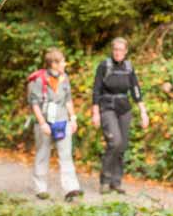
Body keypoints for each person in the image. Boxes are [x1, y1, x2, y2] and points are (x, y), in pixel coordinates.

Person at [91, 37, 149, 194]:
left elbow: (135, 89)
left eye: (121, 50)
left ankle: (116, 182)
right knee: (114, 142)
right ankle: (105, 180)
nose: (118, 53)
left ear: (126, 51)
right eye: (115, 49)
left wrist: (143, 112)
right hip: (107, 107)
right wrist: (95, 112)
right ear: (112, 50)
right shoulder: (104, 65)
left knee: (122, 145)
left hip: (124, 108)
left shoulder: (129, 67)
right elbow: (96, 89)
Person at [28, 47, 83, 202]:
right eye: (62, 62)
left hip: (62, 121)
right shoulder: (39, 80)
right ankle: (40, 188)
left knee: (66, 155)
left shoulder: (64, 78)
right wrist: (42, 123)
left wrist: (73, 118)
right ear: (53, 64)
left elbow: (68, 100)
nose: (65, 64)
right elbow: (34, 104)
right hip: (44, 123)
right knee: (42, 154)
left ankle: (71, 188)